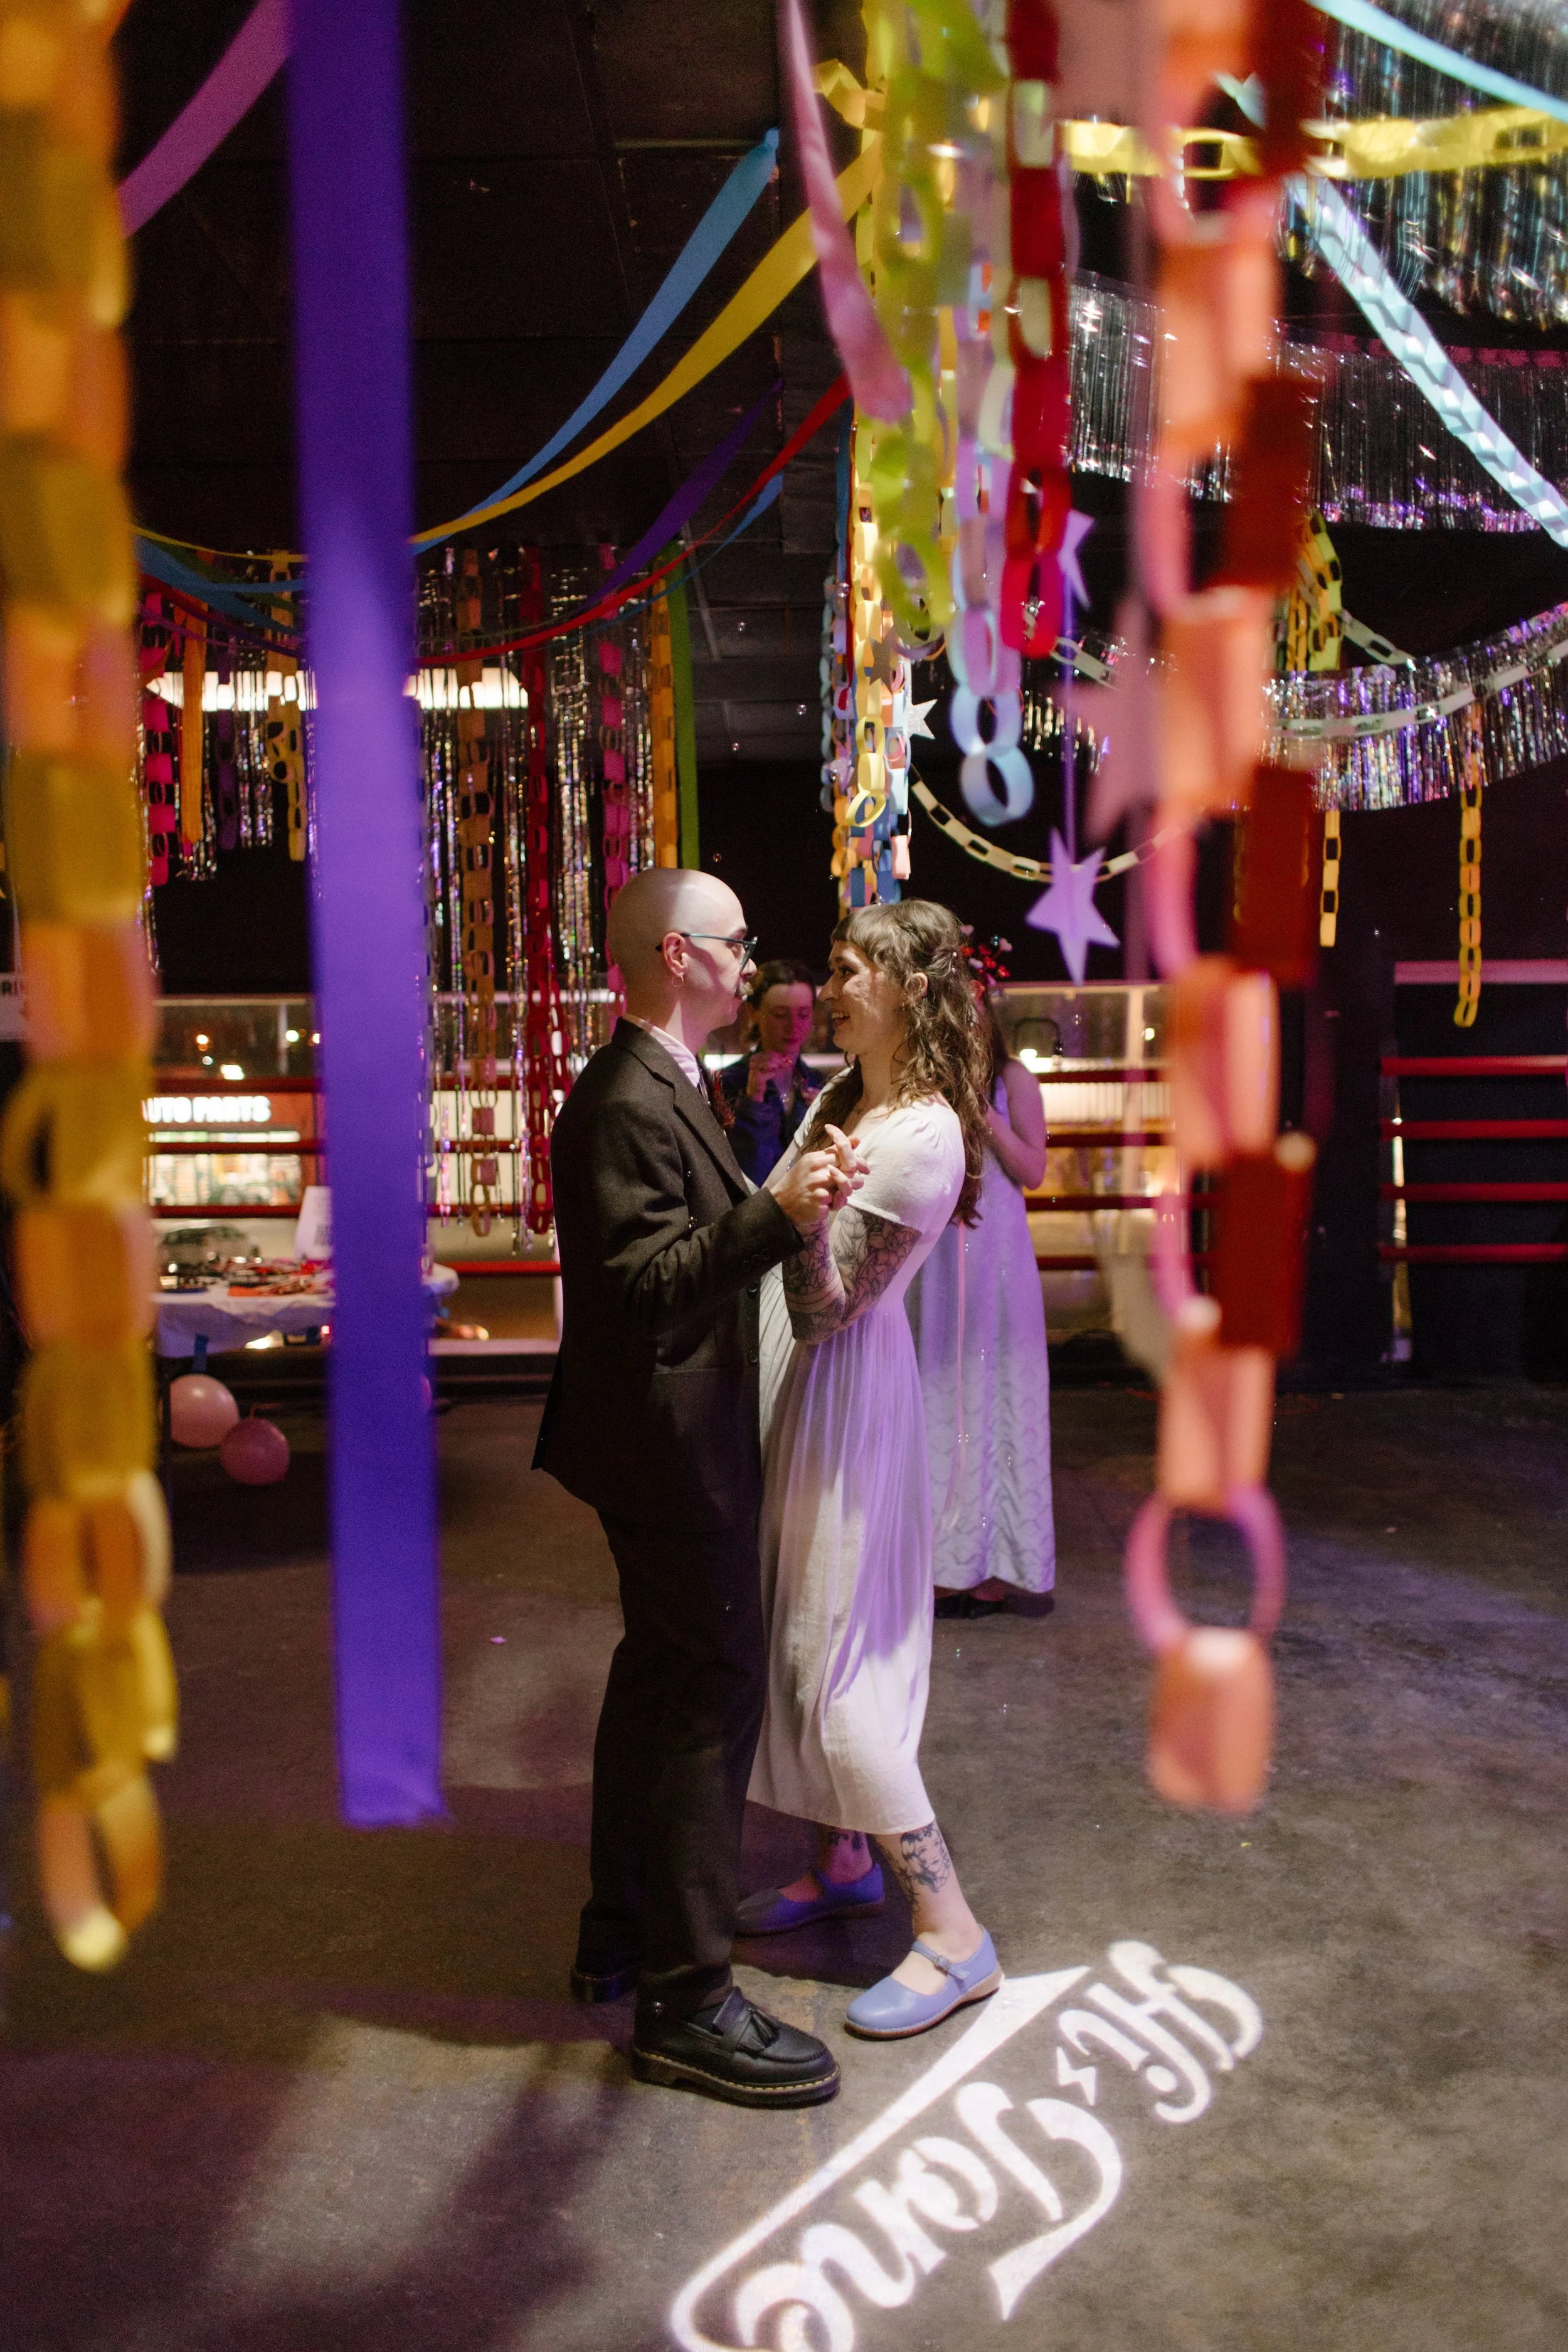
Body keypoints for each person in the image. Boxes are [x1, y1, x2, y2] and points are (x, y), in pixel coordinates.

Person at [534, 867, 864, 2109]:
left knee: (661, 1685)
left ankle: (620, 1934)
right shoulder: (626, 1097)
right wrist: (777, 1213)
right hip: (669, 1453)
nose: (752, 962)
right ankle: (686, 2001)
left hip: (664, 1442)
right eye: (737, 941)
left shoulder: (661, 1082)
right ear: (679, 954)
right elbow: (641, 1289)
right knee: (701, 1711)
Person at [739, 899, 1005, 2038]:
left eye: (849, 971)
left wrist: (805, 1218)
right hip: (797, 1398)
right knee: (795, 1637)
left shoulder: (925, 1137)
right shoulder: (846, 1096)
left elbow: (828, 1310)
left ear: (909, 989)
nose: (830, 990)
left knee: (838, 1674)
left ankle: (954, 1933)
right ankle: (842, 1862)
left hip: (844, 1404)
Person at [906, 990, 1057, 1615]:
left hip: (996, 1262)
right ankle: (938, 1565)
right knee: (936, 1400)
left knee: (997, 1401)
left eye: (971, 1007)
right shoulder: (918, 1075)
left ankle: (996, 1564)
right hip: (934, 1257)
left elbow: (1034, 1170)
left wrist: (982, 1111)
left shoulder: (1013, 1079)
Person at [714, 959, 822, 1184]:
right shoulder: (726, 1083)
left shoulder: (819, 1084)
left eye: (803, 1014)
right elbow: (738, 1173)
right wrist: (753, 1099)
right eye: (780, 1014)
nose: (793, 1026)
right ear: (753, 1012)